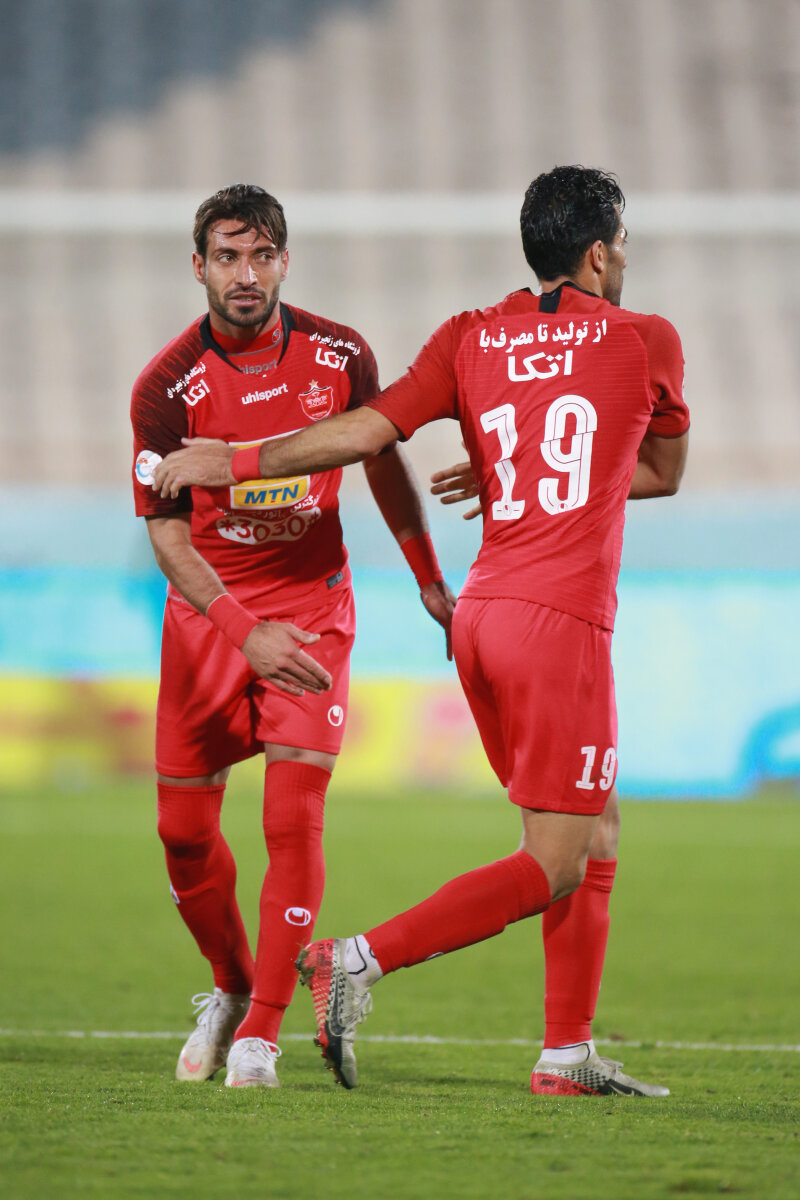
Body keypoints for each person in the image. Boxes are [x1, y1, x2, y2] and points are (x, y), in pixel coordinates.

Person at [153, 165, 689, 1097]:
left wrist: (235, 460)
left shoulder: (468, 335)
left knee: (593, 829)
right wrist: (526, 474)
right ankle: (355, 960)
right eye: (624, 246)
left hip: (480, 615)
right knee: (556, 859)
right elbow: (663, 471)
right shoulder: (647, 338)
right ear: (601, 254)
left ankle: (566, 1055)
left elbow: (364, 433)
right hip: (559, 621)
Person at [131, 184, 455, 1088]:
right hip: (210, 620)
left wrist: (428, 576)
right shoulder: (164, 388)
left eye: (262, 255)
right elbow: (167, 537)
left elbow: (381, 459)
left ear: (285, 260)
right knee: (182, 834)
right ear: (199, 267)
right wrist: (244, 633)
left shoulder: (340, 355)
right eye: (227, 257)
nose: (246, 274)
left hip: (313, 610)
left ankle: (262, 1033)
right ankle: (232, 985)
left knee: (292, 819)